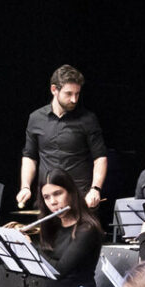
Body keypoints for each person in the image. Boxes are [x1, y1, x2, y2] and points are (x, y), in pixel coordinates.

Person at [17, 64, 109, 213]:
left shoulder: (88, 119)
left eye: (77, 94)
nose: (74, 99)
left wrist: (95, 188)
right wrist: (25, 186)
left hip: (79, 196)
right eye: (69, 94)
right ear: (54, 89)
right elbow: (29, 157)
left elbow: (100, 158)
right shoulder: (36, 118)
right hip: (49, 197)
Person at [33, 176, 107, 287]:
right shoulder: (51, 226)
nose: (53, 202)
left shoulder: (87, 229)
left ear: (72, 193)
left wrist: (29, 248)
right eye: (47, 197)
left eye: (58, 194)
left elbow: (58, 271)